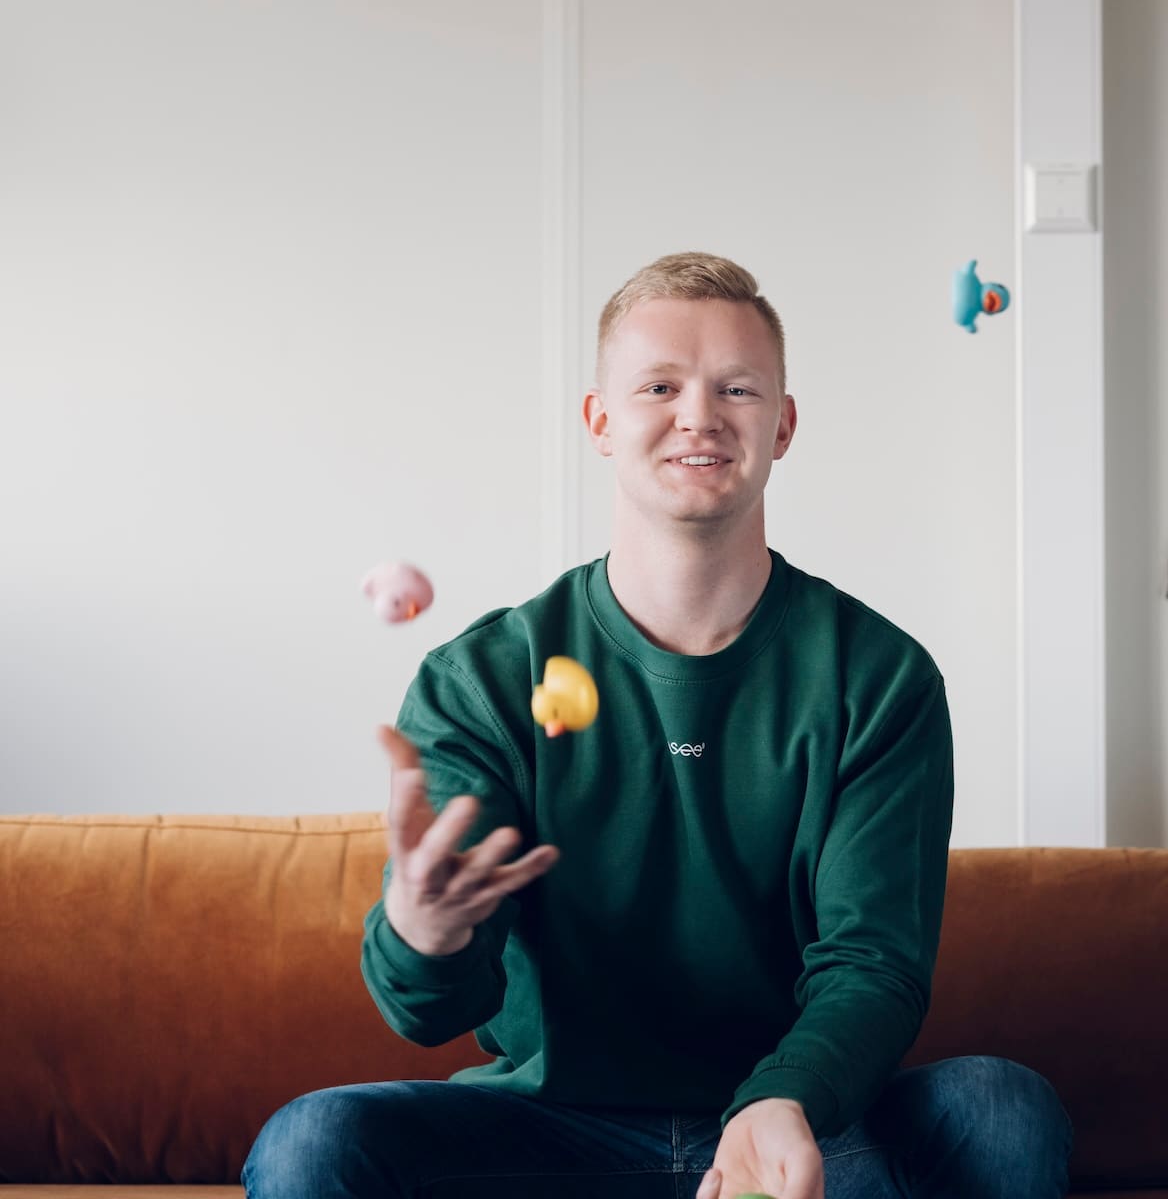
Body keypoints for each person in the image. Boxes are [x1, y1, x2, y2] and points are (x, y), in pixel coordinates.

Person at [243, 253, 1073, 1199]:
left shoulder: (881, 678)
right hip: (552, 1140)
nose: (699, 416)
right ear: (600, 421)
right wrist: (422, 933)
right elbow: (427, 1015)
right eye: (659, 387)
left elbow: (872, 965)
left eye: (737, 388)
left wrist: (785, 1099)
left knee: (1001, 1109)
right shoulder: (482, 679)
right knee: (314, 1142)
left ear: (783, 424)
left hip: (793, 1137)